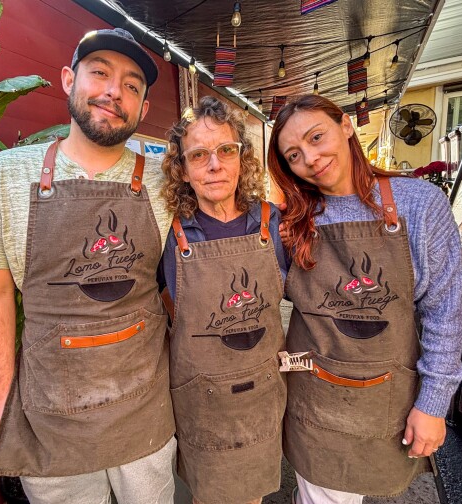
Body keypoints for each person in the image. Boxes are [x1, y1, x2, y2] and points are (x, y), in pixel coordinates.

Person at [0, 28, 176, 504]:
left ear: (144, 110)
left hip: (146, 408)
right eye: (100, 74)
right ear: (68, 80)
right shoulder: (5, 175)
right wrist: (3, 401)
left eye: (133, 86)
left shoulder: (167, 181)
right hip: (50, 414)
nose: (115, 92)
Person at [266, 94, 462, 504]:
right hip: (316, 401)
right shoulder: (292, 223)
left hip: (388, 400)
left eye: (316, 137)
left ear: (346, 126)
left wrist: (433, 404)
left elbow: (443, 314)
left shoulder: (420, 203)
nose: (311, 158)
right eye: (294, 155)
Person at [159, 96, 288, 504]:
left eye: (225, 151)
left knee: (252, 494)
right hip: (202, 399)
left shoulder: (272, 222)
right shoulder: (168, 230)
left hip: (262, 392)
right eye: (199, 155)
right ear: (182, 169)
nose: (214, 165)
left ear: (241, 158)